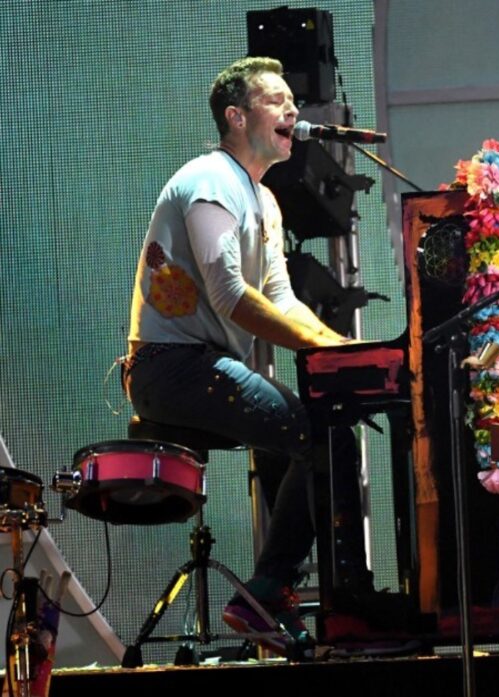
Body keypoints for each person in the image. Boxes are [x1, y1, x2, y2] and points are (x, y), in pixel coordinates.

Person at [124, 57, 368, 656]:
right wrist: (320, 346)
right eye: (276, 101)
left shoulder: (262, 198)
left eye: (294, 100)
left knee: (306, 435)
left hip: (199, 365)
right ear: (236, 117)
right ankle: (264, 592)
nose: (293, 110)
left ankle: (270, 595)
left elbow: (281, 297)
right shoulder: (211, 181)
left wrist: (344, 349)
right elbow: (233, 295)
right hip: (170, 367)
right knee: (321, 435)